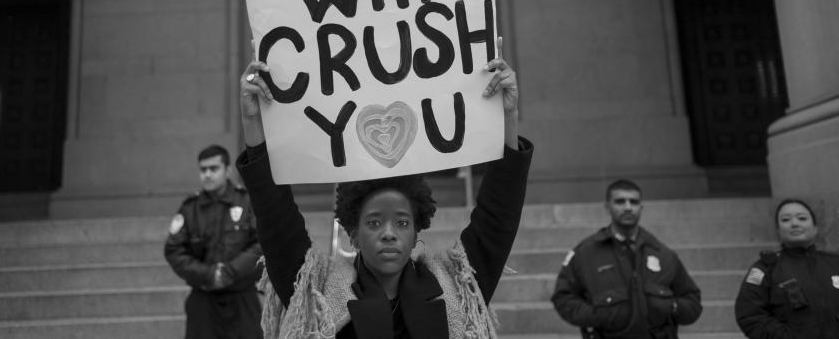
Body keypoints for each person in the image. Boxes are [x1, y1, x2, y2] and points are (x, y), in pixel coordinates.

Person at [235, 40, 533, 339]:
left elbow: (497, 219)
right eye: (374, 222)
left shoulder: (455, 284)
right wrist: (253, 122)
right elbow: (276, 219)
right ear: (352, 234)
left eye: (402, 222)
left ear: (417, 233)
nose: (389, 233)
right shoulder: (317, 292)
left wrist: (508, 116)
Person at [551, 179, 702, 339]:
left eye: (634, 202)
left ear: (641, 207)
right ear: (608, 206)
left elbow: (692, 302)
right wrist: (598, 316)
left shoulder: (664, 255)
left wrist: (671, 307)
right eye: (620, 201)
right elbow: (563, 297)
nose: (628, 207)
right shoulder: (585, 253)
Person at [164, 144, 263, 339]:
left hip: (242, 300)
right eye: (203, 170)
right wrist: (209, 275)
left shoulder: (248, 202)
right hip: (203, 300)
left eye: (213, 169)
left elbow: (262, 245)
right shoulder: (190, 208)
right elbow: (174, 250)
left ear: (227, 170)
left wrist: (229, 271)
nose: (207, 174)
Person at [735, 198, 839, 338]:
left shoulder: (834, 263)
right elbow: (751, 316)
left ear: (815, 228)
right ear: (778, 231)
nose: (795, 223)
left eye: (802, 218)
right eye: (786, 220)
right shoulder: (766, 268)